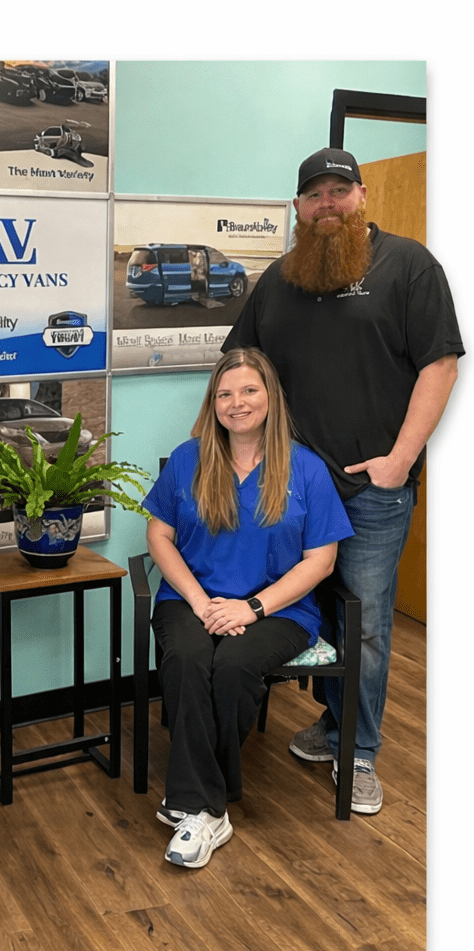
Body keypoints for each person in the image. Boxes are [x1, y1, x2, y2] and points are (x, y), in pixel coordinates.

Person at [223, 147, 463, 814]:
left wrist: (401, 459)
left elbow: (440, 366)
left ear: (361, 197)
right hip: (293, 493)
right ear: (298, 208)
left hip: (372, 492)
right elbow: (243, 367)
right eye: (314, 195)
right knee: (316, 614)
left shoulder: (408, 266)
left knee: (366, 624)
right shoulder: (280, 279)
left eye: (339, 191)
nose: (327, 204)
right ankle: (332, 727)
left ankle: (357, 754)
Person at [142, 348, 353, 869]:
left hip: (279, 609)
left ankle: (195, 805)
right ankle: (208, 808)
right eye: (225, 394)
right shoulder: (190, 458)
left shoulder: (305, 469)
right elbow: (159, 535)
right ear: (213, 403)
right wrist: (200, 602)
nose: (237, 403)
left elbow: (321, 561)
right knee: (189, 658)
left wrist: (251, 608)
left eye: (249, 390)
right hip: (191, 599)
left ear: (271, 396)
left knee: (233, 665)